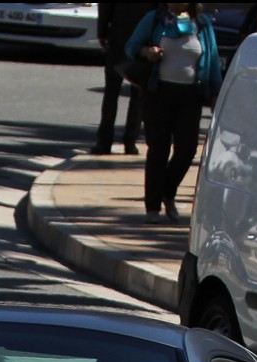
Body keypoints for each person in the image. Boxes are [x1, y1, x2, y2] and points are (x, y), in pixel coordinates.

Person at [127, 3, 221, 224]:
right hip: (158, 92)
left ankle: (168, 193)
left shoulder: (202, 24)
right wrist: (146, 51)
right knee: (158, 149)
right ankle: (152, 206)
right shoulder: (155, 19)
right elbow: (131, 46)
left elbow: (213, 60)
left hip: (190, 96)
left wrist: (215, 93)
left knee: (187, 150)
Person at [91, 3, 149, 156]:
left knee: (112, 91)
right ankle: (130, 142)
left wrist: (102, 31)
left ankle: (104, 142)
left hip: (119, 35)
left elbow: (105, 7)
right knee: (138, 94)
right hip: (143, 37)